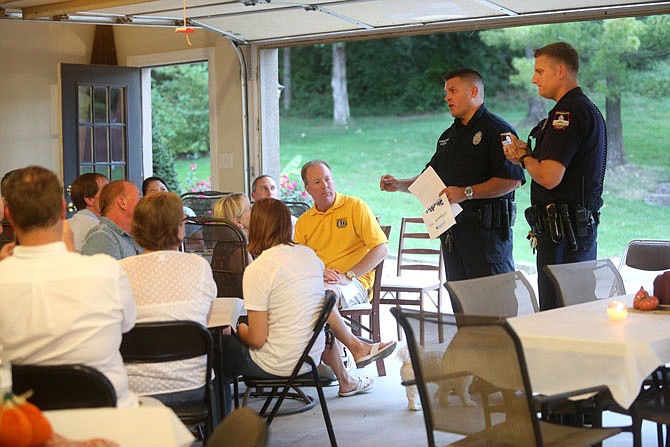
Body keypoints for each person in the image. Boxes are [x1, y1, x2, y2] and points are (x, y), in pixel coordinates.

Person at [0, 166, 137, 407]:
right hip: (109, 413)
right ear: (64, 210)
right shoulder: (107, 271)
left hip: (26, 419)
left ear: (8, 213)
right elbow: (128, 326)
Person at [380, 68, 524, 282]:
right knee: (462, 304)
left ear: (473, 92)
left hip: (487, 237)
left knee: (493, 305)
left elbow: (512, 180)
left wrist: (466, 193)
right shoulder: (448, 136)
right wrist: (399, 184)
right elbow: (429, 179)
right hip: (453, 235)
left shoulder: (498, 130)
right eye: (446, 92)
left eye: (453, 91)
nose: (447, 97)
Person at [220, 198, 373, 397]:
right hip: (311, 357)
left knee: (218, 348)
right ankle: (345, 378)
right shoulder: (309, 256)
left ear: (257, 227)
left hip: (278, 365)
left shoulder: (259, 269)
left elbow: (257, 339)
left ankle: (222, 423)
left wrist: (238, 330)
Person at [503, 42, 606, 311]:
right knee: (572, 311)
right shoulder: (581, 108)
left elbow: (549, 177)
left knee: (562, 315)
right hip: (570, 233)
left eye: (539, 71)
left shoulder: (567, 113)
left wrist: (524, 159)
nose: (534, 78)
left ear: (561, 71)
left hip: (565, 237)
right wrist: (528, 155)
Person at [295, 160, 396, 369]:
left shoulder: (354, 206)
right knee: (306, 298)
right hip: (320, 284)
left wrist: (348, 275)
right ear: (307, 189)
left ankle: (330, 358)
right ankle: (343, 367)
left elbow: (382, 249)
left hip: (354, 283)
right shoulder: (304, 221)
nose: (325, 186)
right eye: (317, 182)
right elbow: (300, 261)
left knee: (319, 298)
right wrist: (319, 273)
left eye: (328, 179)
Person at [120, 192, 216, 405]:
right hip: (193, 385)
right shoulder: (199, 266)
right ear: (178, 228)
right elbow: (204, 323)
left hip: (135, 389)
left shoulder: (120, 271)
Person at [81, 180, 142, 260]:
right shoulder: (101, 236)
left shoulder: (134, 235)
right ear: (122, 203)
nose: (143, 202)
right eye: (139, 197)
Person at [67, 172, 109, 252]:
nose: (111, 195)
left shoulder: (69, 223)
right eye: (105, 191)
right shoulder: (98, 228)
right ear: (89, 200)